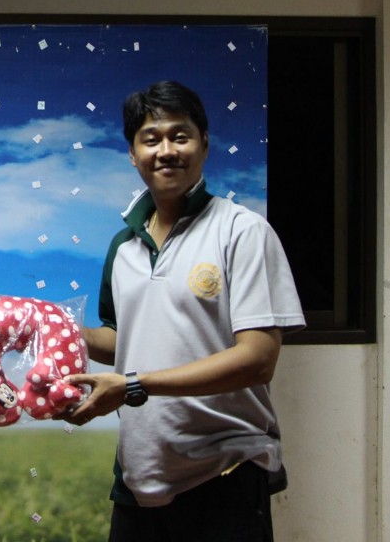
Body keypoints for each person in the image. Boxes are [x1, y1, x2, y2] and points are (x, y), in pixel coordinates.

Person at [63, 81, 305, 542]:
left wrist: (136, 385)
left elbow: (258, 359)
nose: (166, 151)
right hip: (140, 473)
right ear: (133, 154)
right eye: (151, 139)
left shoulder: (242, 231)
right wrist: (55, 329)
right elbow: (123, 340)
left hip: (226, 473)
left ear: (204, 144)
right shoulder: (124, 245)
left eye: (180, 136)